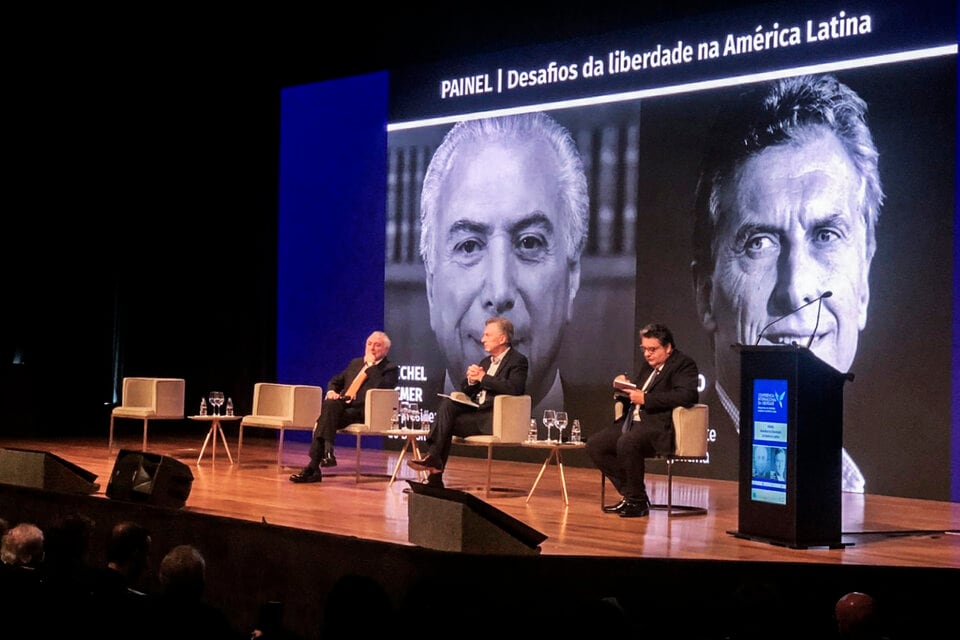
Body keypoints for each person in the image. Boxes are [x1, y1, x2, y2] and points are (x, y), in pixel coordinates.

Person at [691, 73, 884, 493]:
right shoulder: (684, 478)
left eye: (826, 235)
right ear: (706, 294)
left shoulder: (876, 482)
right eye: (759, 243)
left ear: (864, 282)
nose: (795, 290)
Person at [419, 112, 588, 419]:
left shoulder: (611, 423)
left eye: (530, 243)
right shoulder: (408, 408)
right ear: (431, 288)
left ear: (572, 278)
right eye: (469, 246)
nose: (499, 293)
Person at [587, 323, 699, 517]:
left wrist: (647, 399)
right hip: (632, 422)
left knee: (627, 442)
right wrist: (624, 390)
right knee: (595, 445)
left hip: (657, 426)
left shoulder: (683, 365)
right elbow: (637, 395)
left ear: (668, 347)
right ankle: (634, 495)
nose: (647, 354)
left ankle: (636, 500)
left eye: (652, 349)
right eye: (644, 349)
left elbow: (687, 396)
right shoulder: (648, 367)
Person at [408, 316, 528, 488]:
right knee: (448, 406)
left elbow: (514, 388)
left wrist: (483, 377)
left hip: (496, 420)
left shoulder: (518, 361)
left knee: (446, 424)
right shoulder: (486, 362)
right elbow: (468, 392)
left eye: (487, 335)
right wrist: (471, 381)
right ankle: (434, 461)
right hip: (478, 415)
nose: (482, 339)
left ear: (502, 339)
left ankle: (434, 472)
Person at [290, 331, 399, 483]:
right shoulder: (355, 363)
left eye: (377, 345)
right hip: (342, 407)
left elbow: (382, 388)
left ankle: (316, 465)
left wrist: (370, 366)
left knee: (324, 419)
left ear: (386, 350)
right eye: (369, 344)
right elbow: (335, 381)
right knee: (330, 404)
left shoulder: (390, 368)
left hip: (364, 411)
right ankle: (326, 454)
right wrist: (331, 391)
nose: (372, 348)